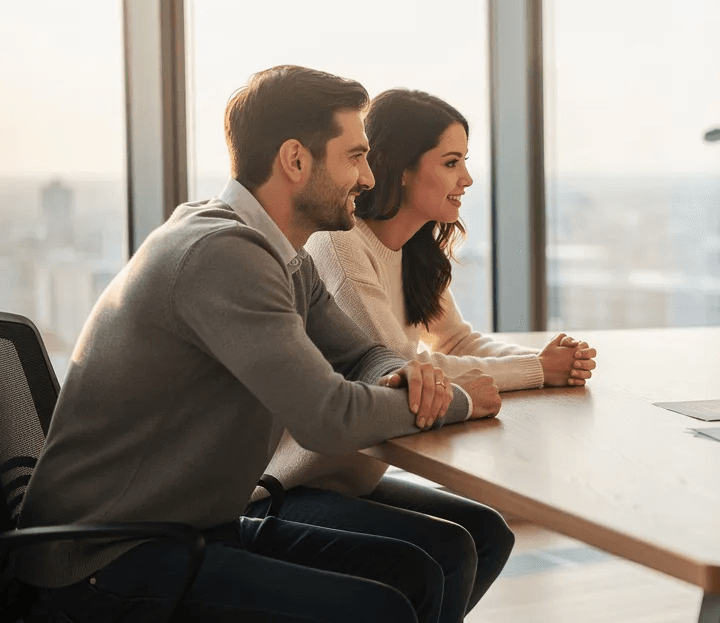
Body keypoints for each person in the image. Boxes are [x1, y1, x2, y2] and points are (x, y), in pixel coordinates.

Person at [16, 65, 501, 623]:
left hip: (190, 530)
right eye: (354, 157)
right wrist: (457, 401)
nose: (368, 179)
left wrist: (407, 374)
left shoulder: (284, 257)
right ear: (295, 160)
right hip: (110, 559)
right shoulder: (222, 255)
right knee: (377, 608)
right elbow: (328, 417)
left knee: (421, 569)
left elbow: (362, 355)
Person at [248, 89, 597, 613]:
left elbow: (455, 341)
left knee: (487, 533)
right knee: (449, 549)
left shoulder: (415, 249)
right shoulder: (342, 247)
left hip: (351, 475)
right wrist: (535, 370)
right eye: (451, 162)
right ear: (402, 169)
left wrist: (548, 362)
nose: (467, 179)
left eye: (465, 162)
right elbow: (403, 367)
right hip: (293, 484)